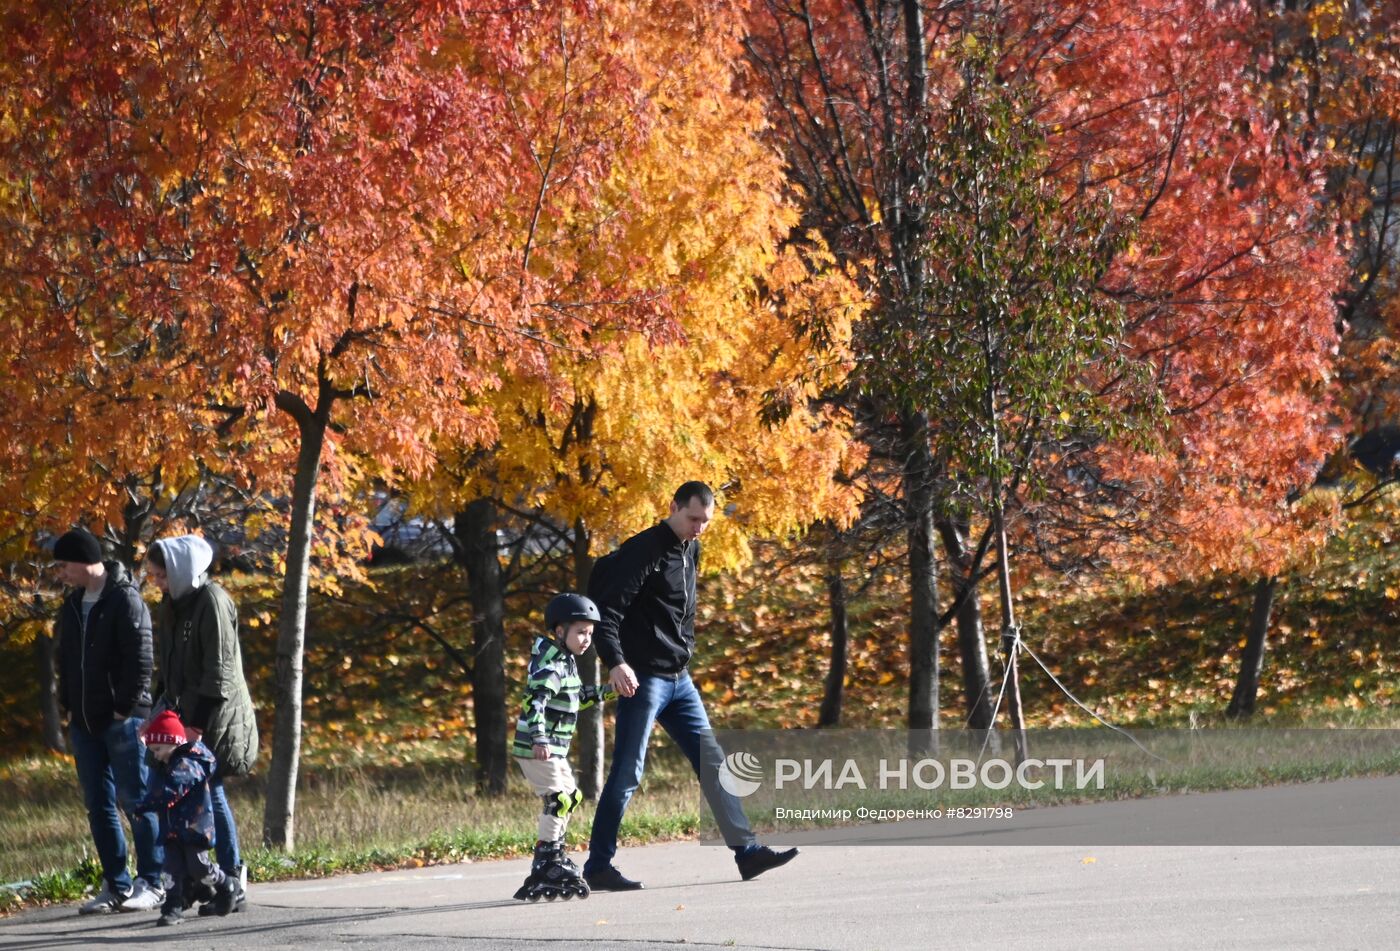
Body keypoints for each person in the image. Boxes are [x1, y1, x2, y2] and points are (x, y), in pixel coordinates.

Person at [582, 482, 797, 891]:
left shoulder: (690, 549)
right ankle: (598, 865)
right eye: (692, 518)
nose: (699, 528)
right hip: (642, 679)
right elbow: (608, 612)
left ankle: (747, 854)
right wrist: (615, 662)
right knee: (628, 771)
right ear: (674, 507)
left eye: (706, 521)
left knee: (713, 763)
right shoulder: (644, 550)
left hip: (679, 680)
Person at [52, 528, 165, 914]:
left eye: (64, 565)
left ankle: (153, 881)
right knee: (98, 806)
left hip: (124, 721)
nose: (61, 573)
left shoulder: (125, 600)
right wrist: (68, 706)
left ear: (84, 561)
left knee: (137, 801)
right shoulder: (71, 606)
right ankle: (116, 884)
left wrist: (124, 708)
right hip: (84, 722)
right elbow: (64, 661)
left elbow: (141, 660)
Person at [145, 535, 258, 914]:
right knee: (189, 795)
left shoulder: (213, 601)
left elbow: (219, 672)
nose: (157, 583)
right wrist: (163, 708)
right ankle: (198, 880)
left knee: (212, 787)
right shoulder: (173, 603)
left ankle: (231, 876)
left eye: (161, 575)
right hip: (182, 713)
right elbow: (169, 661)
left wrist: (197, 726)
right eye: (154, 576)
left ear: (180, 572)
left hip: (213, 715)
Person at [511, 593, 615, 901]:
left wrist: (611, 691)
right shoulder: (552, 666)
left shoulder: (565, 662)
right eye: (580, 632)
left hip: (552, 747)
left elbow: (576, 698)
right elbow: (535, 701)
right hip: (537, 746)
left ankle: (554, 853)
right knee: (557, 800)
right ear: (560, 631)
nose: (586, 639)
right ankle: (547, 860)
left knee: (572, 796)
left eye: (590, 634)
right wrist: (539, 737)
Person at [138, 710, 238, 927]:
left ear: (172, 742)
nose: (155, 755)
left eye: (157, 749)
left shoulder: (192, 760)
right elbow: (160, 790)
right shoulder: (165, 764)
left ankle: (225, 884)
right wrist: (146, 804)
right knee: (171, 870)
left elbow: (177, 784)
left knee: (199, 866)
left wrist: (150, 802)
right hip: (172, 829)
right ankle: (172, 907)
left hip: (194, 827)